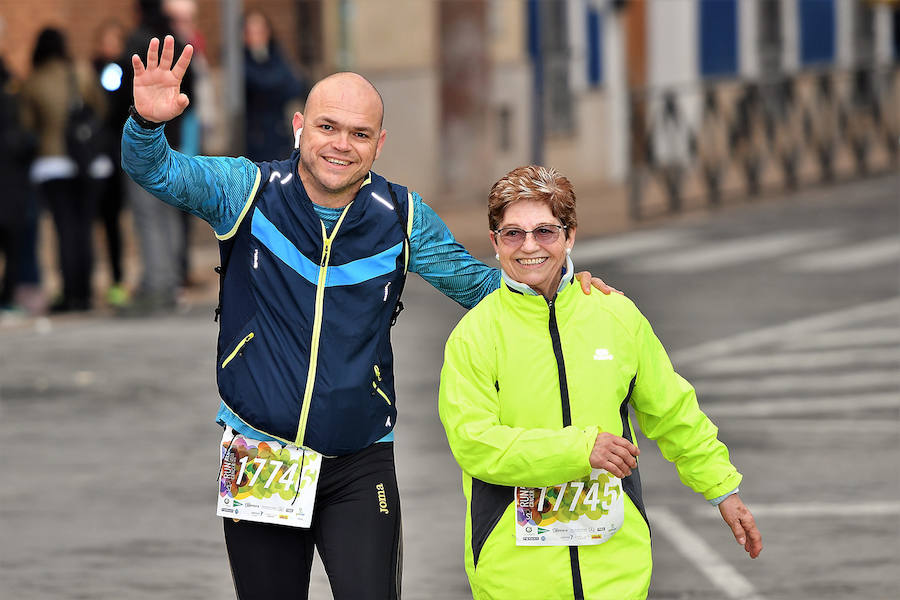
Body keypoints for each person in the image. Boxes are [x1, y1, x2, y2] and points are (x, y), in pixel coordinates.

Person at [121, 36, 614, 600]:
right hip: (260, 452)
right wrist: (145, 121)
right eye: (328, 127)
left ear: (379, 144)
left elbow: (483, 287)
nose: (341, 145)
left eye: (359, 134)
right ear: (300, 126)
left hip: (360, 460)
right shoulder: (247, 192)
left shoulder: (400, 216)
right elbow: (154, 170)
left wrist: (564, 290)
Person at [438, 165, 763, 599]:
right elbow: (473, 442)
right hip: (514, 576)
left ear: (570, 236)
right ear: (495, 243)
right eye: (513, 233)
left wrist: (723, 489)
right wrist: (579, 449)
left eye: (546, 231)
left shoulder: (616, 315)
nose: (529, 245)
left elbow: (671, 411)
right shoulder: (474, 336)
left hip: (616, 571)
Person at [21, 27, 106, 313]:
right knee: (84, 228)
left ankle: (70, 293)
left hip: (52, 163)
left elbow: (28, 125)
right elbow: (101, 109)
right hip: (86, 162)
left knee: (64, 229)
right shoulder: (81, 72)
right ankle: (86, 292)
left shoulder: (34, 81)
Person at [92, 19, 132, 307]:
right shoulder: (93, 72)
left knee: (113, 222)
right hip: (94, 155)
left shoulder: (123, 72)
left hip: (116, 155)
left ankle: (117, 279)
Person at [0, 18, 37, 312]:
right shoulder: (9, 83)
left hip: (10, 175)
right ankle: (9, 296)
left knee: (12, 238)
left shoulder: (10, 80)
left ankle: (9, 296)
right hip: (10, 173)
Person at [243, 8, 308, 161]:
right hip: (255, 137)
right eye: (251, 32)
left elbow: (296, 85)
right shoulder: (241, 60)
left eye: (260, 31)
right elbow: (260, 83)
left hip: (279, 132)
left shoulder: (276, 53)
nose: (257, 37)